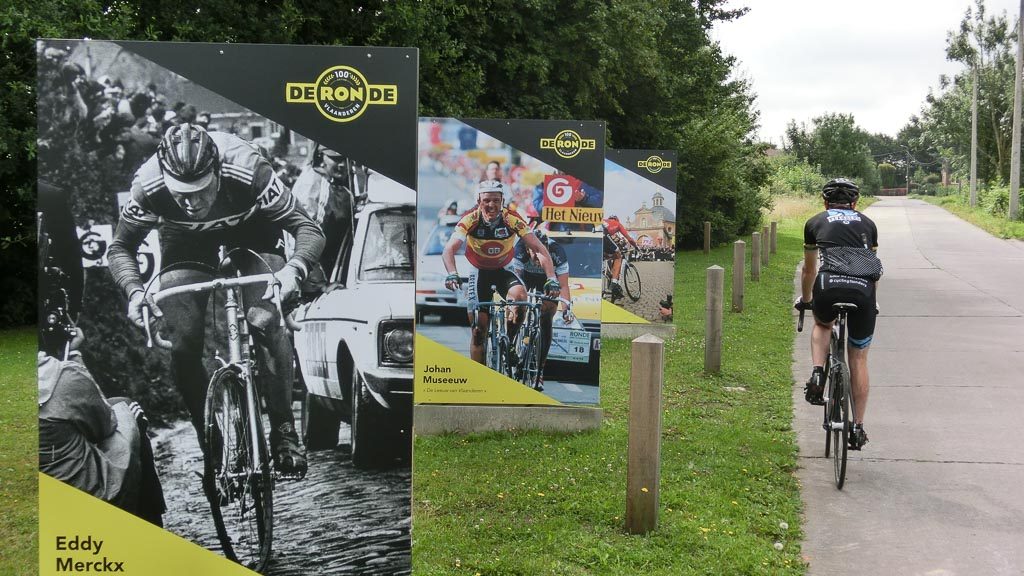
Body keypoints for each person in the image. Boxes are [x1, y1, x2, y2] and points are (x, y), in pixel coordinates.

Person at [107, 123, 325, 475]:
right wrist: (135, 291)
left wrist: (293, 271)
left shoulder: (248, 169)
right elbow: (120, 248)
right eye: (182, 194)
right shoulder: (148, 185)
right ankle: (211, 443)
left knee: (265, 319)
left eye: (200, 190)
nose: (192, 202)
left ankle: (284, 430)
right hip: (185, 240)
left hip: (252, 230)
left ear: (217, 173)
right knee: (184, 341)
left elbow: (307, 228)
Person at [39, 327, 166, 526]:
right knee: (127, 408)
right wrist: (73, 354)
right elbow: (106, 423)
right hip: (84, 497)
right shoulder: (59, 376)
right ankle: (151, 525)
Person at [795, 178, 882, 450]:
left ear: (825, 202)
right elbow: (871, 269)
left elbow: (809, 271)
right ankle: (857, 427)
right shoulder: (868, 224)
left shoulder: (814, 222)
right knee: (858, 358)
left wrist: (806, 300)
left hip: (829, 285)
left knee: (822, 324)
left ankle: (818, 372)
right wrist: (872, 301)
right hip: (862, 290)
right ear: (855, 203)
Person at [442, 180, 560, 366]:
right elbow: (449, 249)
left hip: (504, 270)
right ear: (479, 201)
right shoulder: (470, 219)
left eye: (496, 200)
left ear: (502, 200)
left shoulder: (511, 218)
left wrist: (551, 278)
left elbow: (538, 248)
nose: (491, 205)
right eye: (487, 200)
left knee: (521, 300)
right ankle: (480, 376)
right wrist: (452, 273)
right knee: (479, 330)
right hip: (479, 272)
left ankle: (510, 343)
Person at [509, 227, 574, 390]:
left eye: (541, 253)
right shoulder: (520, 248)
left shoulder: (557, 252)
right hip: (525, 279)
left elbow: (564, 286)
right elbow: (515, 279)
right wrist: (516, 302)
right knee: (517, 307)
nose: (537, 258)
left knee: (546, 320)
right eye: (534, 254)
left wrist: (567, 308)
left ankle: (540, 369)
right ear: (527, 248)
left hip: (547, 282)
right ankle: (509, 344)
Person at [602, 215, 638, 299]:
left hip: (594, 236)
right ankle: (614, 283)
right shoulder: (618, 224)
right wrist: (636, 247)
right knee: (618, 256)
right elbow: (629, 239)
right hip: (603, 235)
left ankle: (608, 274)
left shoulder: (604, 220)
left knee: (607, 256)